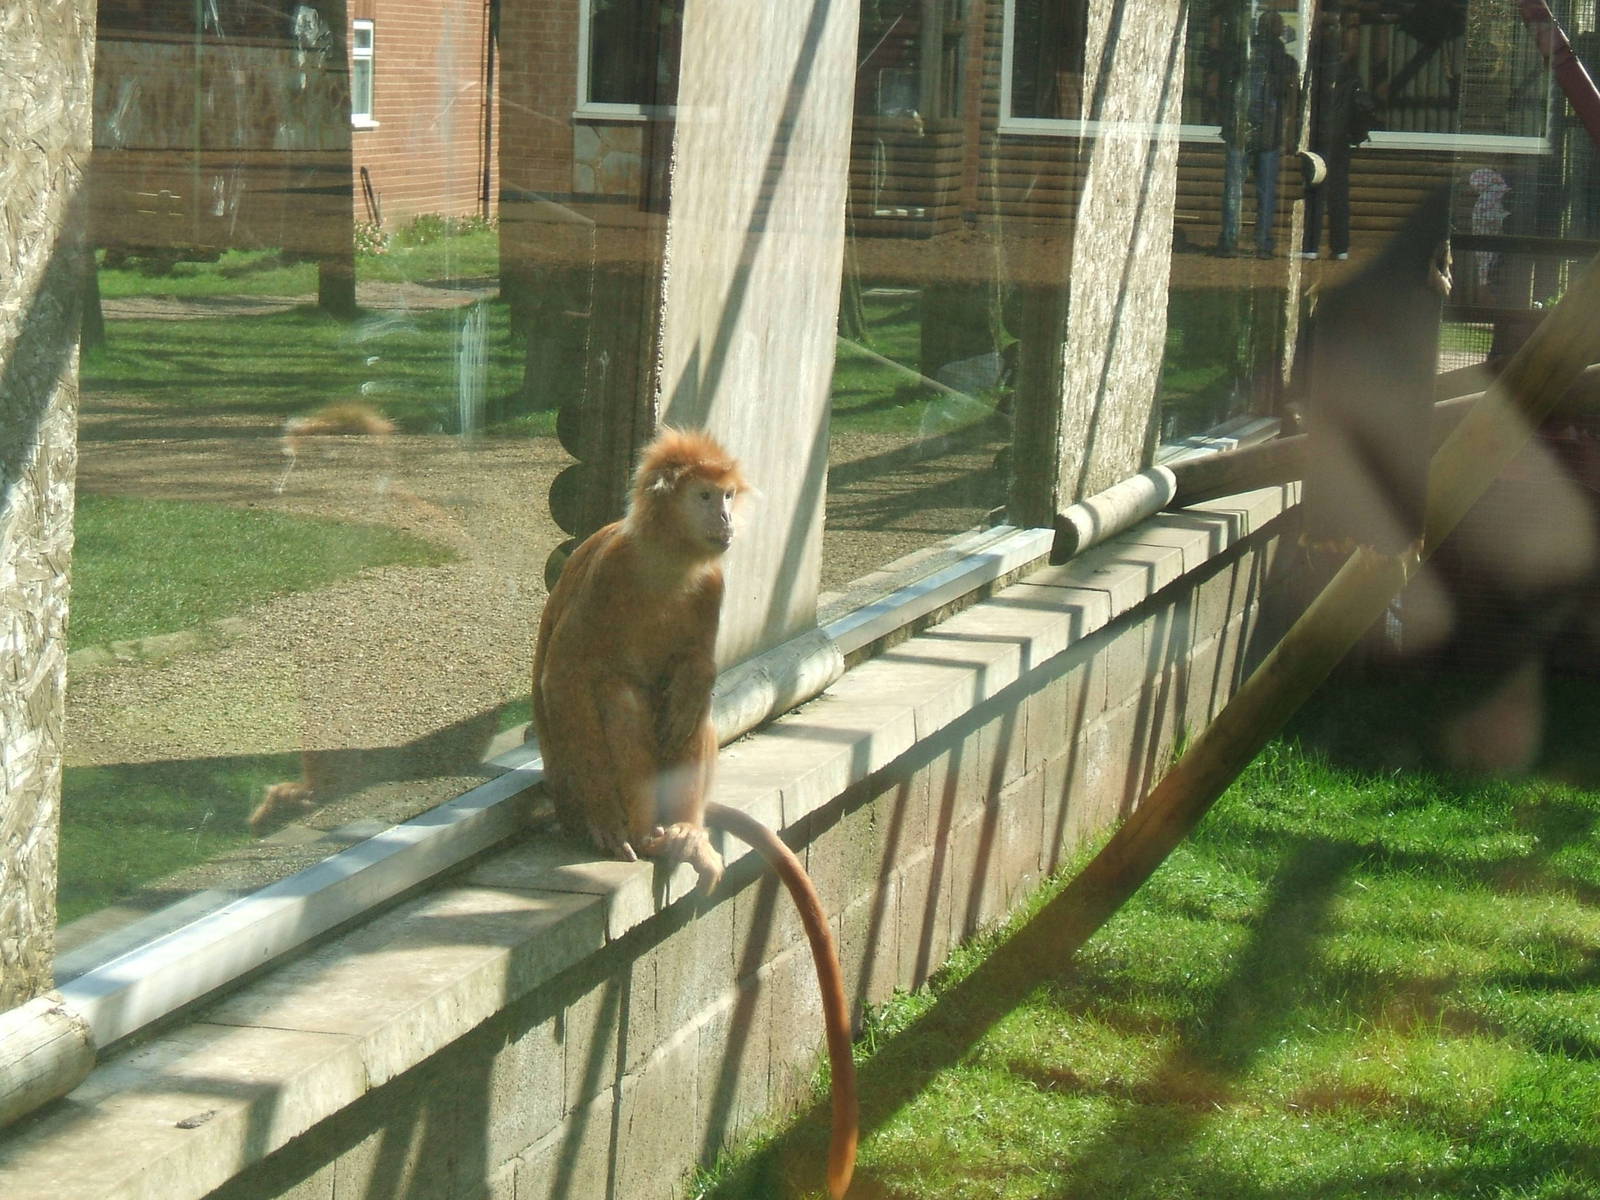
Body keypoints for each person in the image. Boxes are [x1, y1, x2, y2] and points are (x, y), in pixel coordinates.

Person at [1215, 8, 1300, 259]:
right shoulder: (1285, 62)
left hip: (1240, 131)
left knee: (1234, 188)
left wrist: (1227, 123)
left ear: (1258, 29)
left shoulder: (1243, 55)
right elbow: (1292, 102)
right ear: (1278, 31)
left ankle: (1230, 241)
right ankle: (1263, 243)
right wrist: (1289, 136)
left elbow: (1225, 91)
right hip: (1269, 135)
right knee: (1266, 191)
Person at [1301, 7, 1373, 261]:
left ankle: (1311, 246)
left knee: (1317, 190)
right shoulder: (1349, 75)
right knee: (1337, 193)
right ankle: (1339, 247)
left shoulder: (1320, 72)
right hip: (1340, 138)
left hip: (1323, 137)